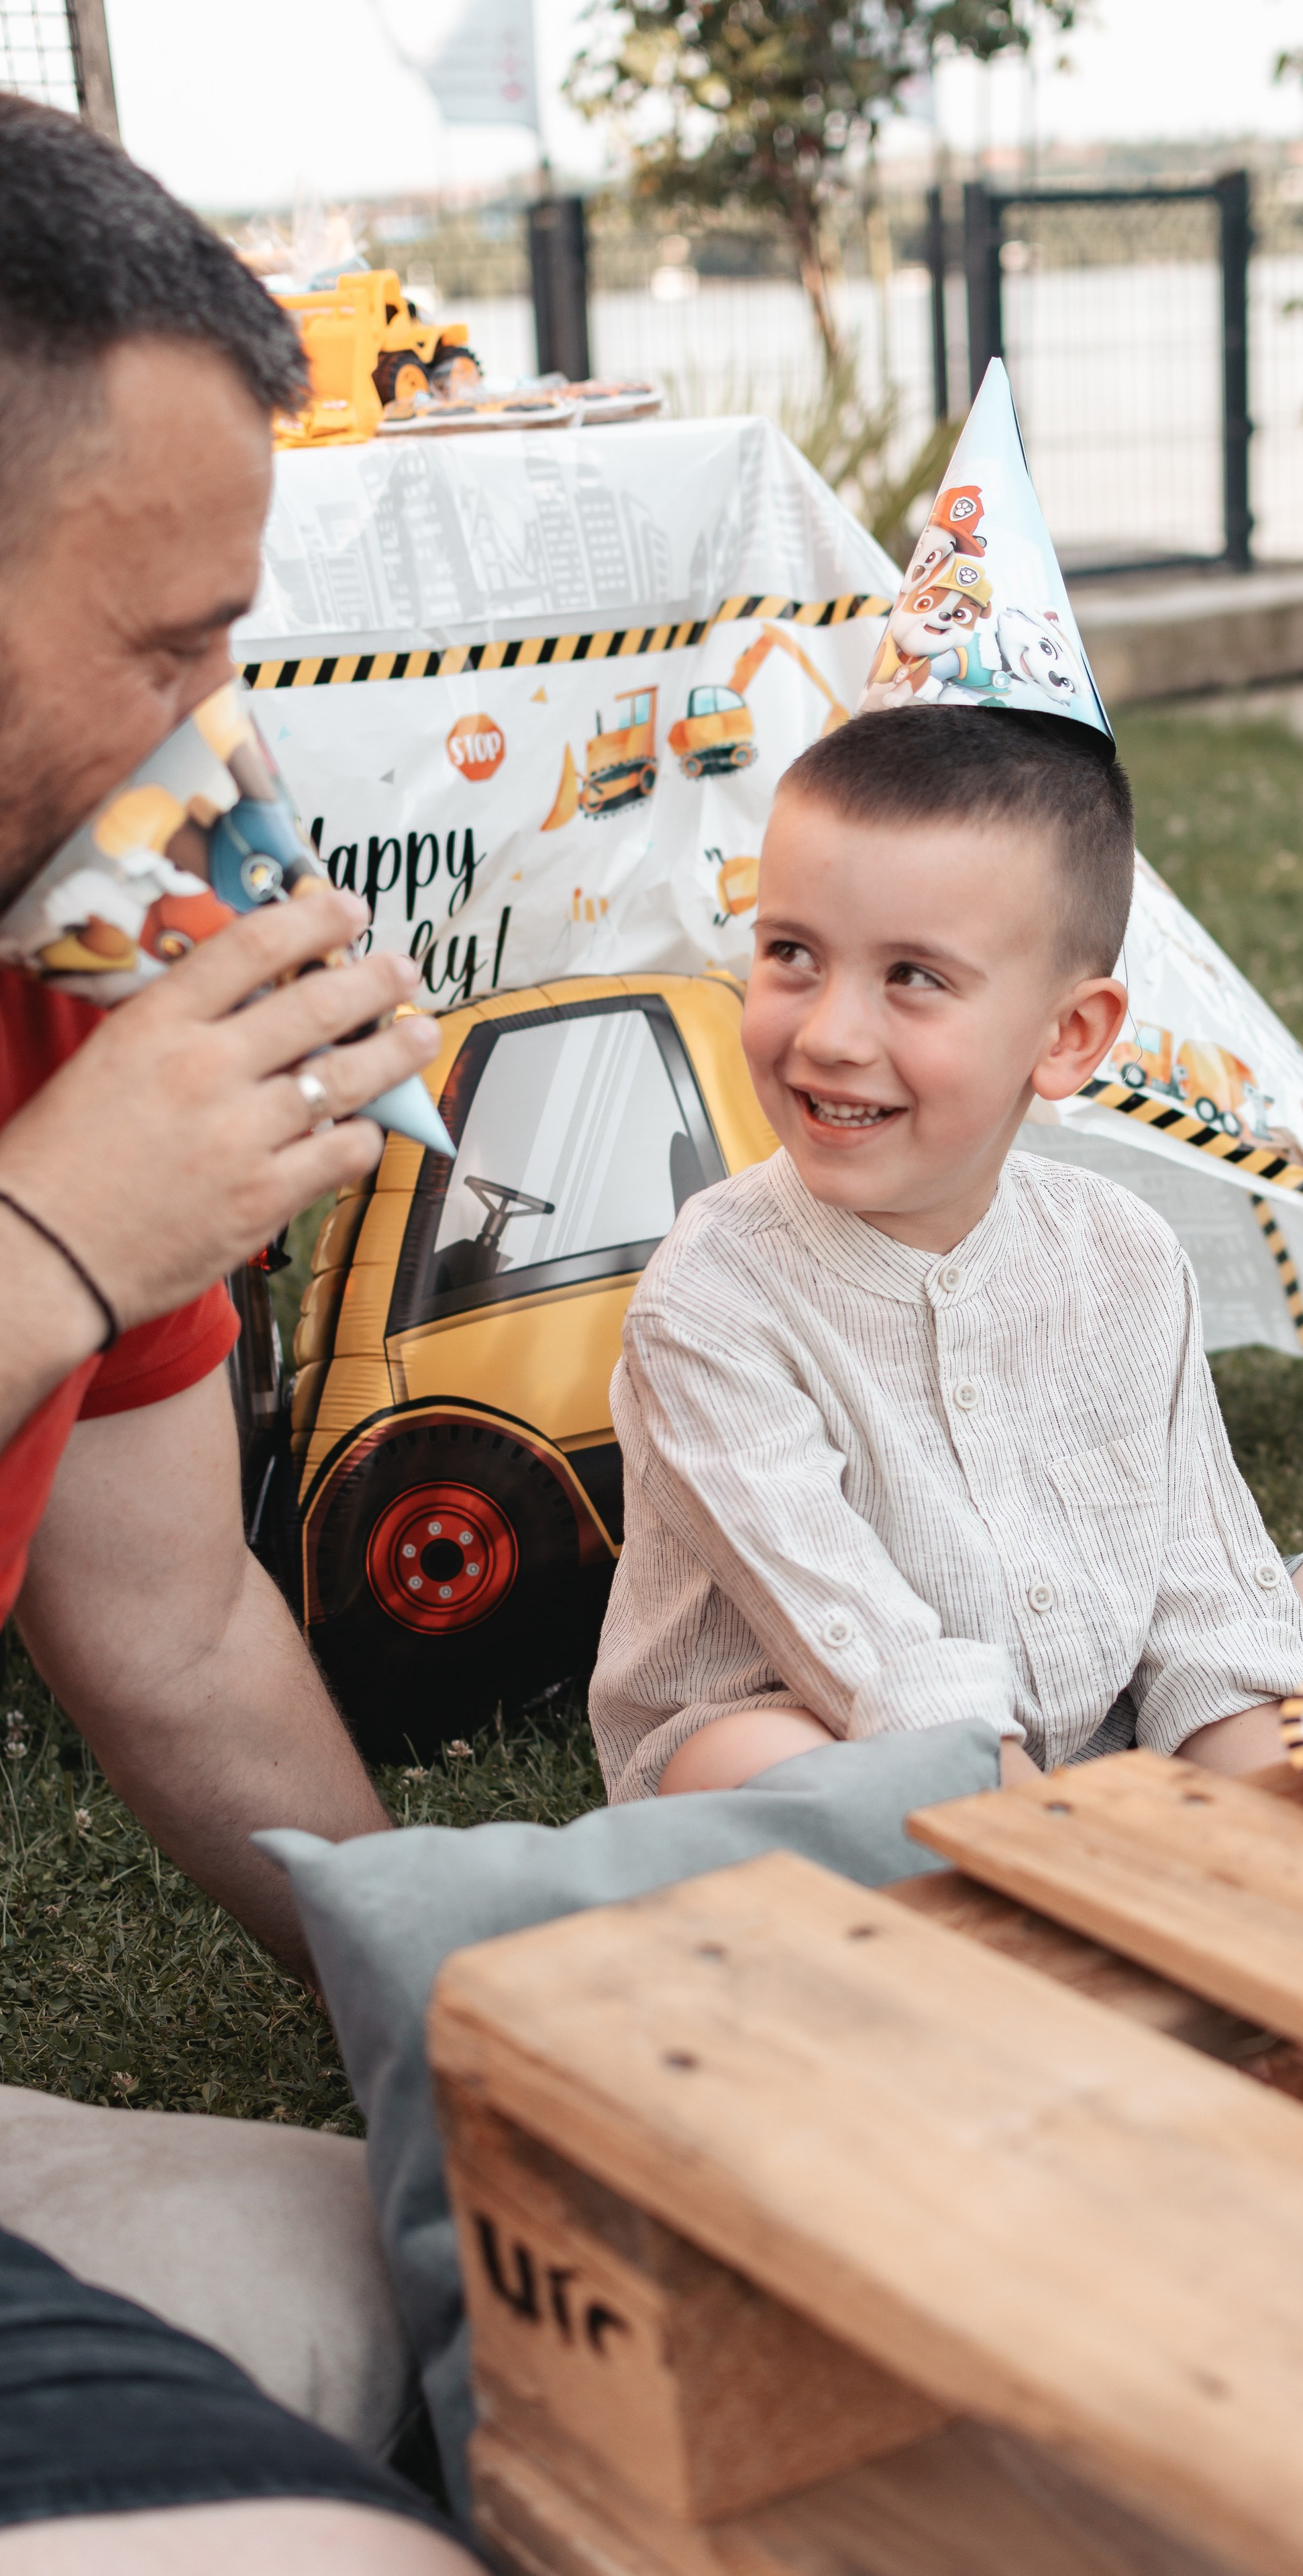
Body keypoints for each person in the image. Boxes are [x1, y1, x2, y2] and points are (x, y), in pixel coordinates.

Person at [0, 95, 476, 2573]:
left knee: (457, 2273)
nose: (222, 745)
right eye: (165, 648)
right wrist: (58, 1242)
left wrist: (456, 2003)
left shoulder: (58, 972)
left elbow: (171, 1625)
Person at [588, 707, 1303, 1801]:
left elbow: (1203, 1601)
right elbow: (871, 1658)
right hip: (830, 1723)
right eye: (792, 955)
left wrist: (1254, 1789)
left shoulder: (1125, 1253)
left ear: (1067, 1037)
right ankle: (1037, 1888)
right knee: (756, 1766)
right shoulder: (713, 1298)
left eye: (913, 976)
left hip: (1100, 1712)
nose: (829, 1033)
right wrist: (1058, 1838)